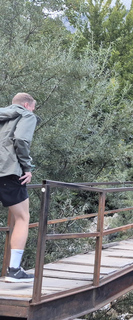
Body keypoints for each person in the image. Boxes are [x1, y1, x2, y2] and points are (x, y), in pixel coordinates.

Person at [0, 93, 38, 282]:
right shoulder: (26, 115)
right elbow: (21, 140)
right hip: (8, 173)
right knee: (23, 218)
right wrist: (27, 168)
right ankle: (14, 270)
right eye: (33, 107)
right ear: (26, 104)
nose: (33, 112)